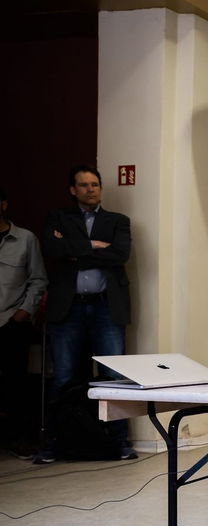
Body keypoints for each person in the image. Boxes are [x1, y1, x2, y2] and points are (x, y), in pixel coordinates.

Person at [37, 165, 135, 463]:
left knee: (113, 377)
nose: (90, 189)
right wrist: (92, 245)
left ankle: (121, 442)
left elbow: (120, 254)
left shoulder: (118, 220)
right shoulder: (59, 217)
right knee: (63, 376)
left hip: (107, 306)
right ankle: (50, 444)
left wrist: (74, 251)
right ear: (73, 189)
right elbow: (52, 248)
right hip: (69, 307)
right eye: (83, 185)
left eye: (94, 184)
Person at [0, 186, 49, 459]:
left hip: (12, 321)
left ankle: (17, 438)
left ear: (4, 204)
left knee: (15, 384)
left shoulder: (25, 239)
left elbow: (38, 279)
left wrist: (24, 312)